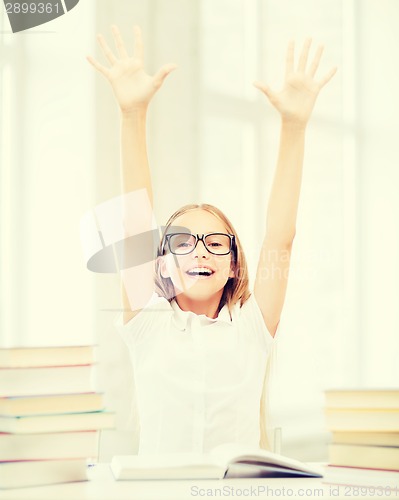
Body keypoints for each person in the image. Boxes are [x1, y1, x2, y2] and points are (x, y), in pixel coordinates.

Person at [87, 25, 336, 455]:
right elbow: (134, 225)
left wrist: (294, 126)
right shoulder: (148, 321)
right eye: (182, 242)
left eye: (216, 243)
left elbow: (281, 237)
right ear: (161, 264)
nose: (200, 250)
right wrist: (132, 116)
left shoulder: (253, 329)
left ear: (235, 264)